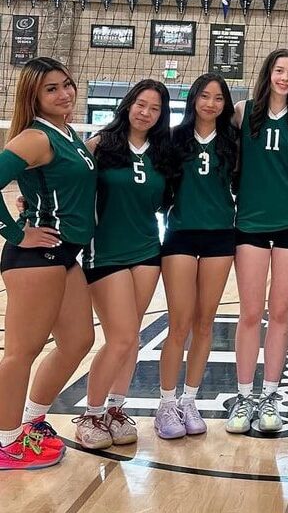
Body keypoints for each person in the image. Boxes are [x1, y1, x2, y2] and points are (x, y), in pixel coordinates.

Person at [0, 57, 96, 470]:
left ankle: (31, 421)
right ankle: (6, 443)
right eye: (51, 89)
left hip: (63, 254)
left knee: (78, 341)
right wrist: (16, 233)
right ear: (34, 96)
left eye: (67, 84)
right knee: (21, 352)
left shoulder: (67, 133)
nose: (64, 93)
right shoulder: (35, 138)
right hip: (35, 257)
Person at [75, 80, 174, 449]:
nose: (145, 113)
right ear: (128, 104)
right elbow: (67, 180)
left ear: (162, 115)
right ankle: (91, 413)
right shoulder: (101, 144)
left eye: (154, 108)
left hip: (147, 251)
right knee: (121, 337)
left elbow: (165, 200)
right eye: (140, 104)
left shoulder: (162, 152)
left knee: (132, 336)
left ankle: (115, 410)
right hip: (105, 253)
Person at [226, 50, 288, 435]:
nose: (285, 77)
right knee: (249, 313)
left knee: (280, 313)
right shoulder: (243, 112)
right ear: (269, 73)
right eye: (279, 70)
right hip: (250, 222)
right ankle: (244, 397)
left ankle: (271, 396)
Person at [156, 73, 237, 439]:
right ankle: (166, 404)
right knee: (179, 324)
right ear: (193, 99)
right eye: (205, 96)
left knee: (205, 323)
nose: (211, 104)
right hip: (181, 236)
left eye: (218, 98)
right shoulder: (173, 138)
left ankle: (189, 401)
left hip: (220, 236)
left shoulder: (233, 141)